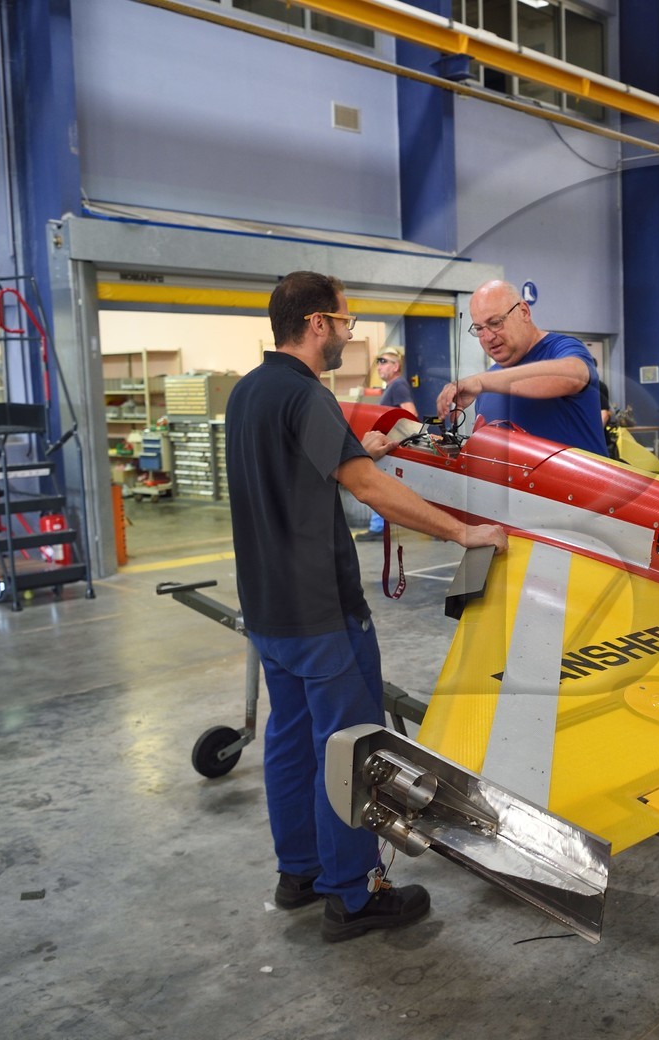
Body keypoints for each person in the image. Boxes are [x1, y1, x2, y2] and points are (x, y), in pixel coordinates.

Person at [225, 271, 507, 943]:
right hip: (321, 613)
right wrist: (463, 531)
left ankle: (301, 872)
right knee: (351, 751)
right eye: (346, 322)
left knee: (291, 741)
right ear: (316, 323)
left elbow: (312, 467)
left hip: (267, 610)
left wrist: (359, 448)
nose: (350, 335)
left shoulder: (248, 393)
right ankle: (352, 897)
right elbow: (371, 489)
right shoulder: (308, 395)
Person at [436, 280, 608, 456]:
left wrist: (481, 382)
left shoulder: (561, 349)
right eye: (479, 329)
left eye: (495, 323)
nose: (487, 337)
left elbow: (573, 376)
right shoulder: (489, 384)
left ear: (524, 312)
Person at [357, 346, 417, 542]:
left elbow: (411, 415)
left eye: (384, 362)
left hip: (390, 448)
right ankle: (379, 526)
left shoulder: (398, 385)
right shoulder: (392, 386)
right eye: (378, 362)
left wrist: (394, 441)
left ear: (396, 366)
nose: (379, 366)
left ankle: (378, 527)